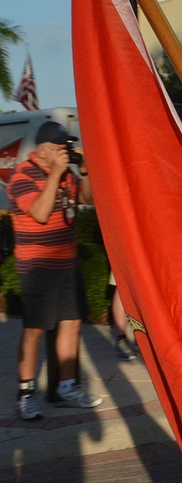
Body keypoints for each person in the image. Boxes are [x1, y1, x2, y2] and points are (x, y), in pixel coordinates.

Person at [9, 121, 103, 420]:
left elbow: (88, 200)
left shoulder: (66, 176)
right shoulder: (22, 174)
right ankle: (25, 394)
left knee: (72, 323)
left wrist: (85, 170)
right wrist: (54, 175)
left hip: (67, 262)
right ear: (43, 151)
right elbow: (39, 212)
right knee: (35, 330)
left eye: (67, 147)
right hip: (38, 266)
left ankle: (66, 387)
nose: (66, 152)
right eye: (61, 148)